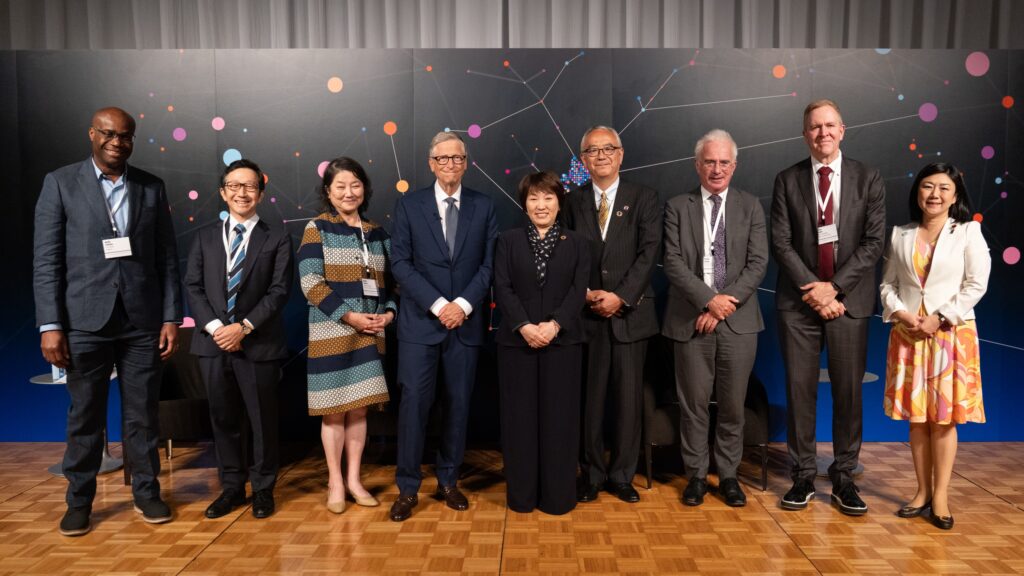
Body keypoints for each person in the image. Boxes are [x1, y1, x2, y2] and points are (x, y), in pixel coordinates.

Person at [33, 107, 182, 536]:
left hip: (141, 321)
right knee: (85, 416)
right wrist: (50, 325)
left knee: (143, 415)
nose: (117, 142)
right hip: (83, 322)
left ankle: (147, 493)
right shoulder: (60, 183)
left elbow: (167, 258)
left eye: (126, 135)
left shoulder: (151, 186)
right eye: (108, 134)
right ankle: (79, 500)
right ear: (92, 134)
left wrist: (171, 316)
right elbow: (47, 261)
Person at [771, 99, 885, 515]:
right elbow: (781, 242)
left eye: (830, 125)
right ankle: (802, 476)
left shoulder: (868, 177)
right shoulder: (787, 180)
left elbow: (873, 242)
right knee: (800, 391)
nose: (823, 133)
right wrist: (815, 291)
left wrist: (834, 289)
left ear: (842, 130)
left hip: (848, 303)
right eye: (815, 127)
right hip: (799, 304)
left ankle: (843, 478)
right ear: (806, 134)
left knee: (848, 393)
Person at [388, 132, 498, 522]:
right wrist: (438, 306)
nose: (450, 165)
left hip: (465, 325)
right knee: (413, 407)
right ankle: (407, 488)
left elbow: (489, 265)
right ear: (431, 163)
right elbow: (400, 263)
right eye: (443, 158)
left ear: (466, 162)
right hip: (420, 324)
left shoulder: (484, 206)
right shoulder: (409, 205)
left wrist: (463, 306)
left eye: (457, 158)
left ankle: (449, 480)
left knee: (458, 404)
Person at [880, 163, 989, 530]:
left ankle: (940, 496)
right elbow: (888, 285)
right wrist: (901, 313)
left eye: (943, 188)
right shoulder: (900, 234)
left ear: (955, 195)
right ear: (917, 192)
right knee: (917, 419)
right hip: (909, 334)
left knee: (942, 420)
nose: (935, 194)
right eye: (927, 186)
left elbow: (976, 284)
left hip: (950, 335)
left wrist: (939, 317)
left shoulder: (968, 232)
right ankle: (921, 491)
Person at [662, 129, 768, 507]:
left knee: (732, 405)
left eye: (724, 162)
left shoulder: (751, 206)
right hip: (691, 321)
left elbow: (758, 263)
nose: (717, 169)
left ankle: (728, 476)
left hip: (739, 323)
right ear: (697, 165)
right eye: (709, 161)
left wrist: (725, 305)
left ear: (734, 166)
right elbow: (673, 262)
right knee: (693, 405)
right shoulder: (677, 206)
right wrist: (709, 302)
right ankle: (695, 475)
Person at [184, 159, 293, 520]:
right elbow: (193, 287)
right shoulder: (204, 237)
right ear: (223, 192)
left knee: (263, 421)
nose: (241, 193)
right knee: (223, 418)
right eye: (234, 185)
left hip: (258, 345)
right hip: (213, 345)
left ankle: (263, 488)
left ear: (260, 193)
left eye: (249, 186)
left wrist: (243, 328)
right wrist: (218, 328)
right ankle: (231, 487)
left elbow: (279, 291)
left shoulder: (276, 237)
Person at [564, 125, 661, 504]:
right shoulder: (571, 202)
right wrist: (585, 294)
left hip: (630, 317)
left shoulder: (645, 198)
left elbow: (649, 253)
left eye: (608, 149)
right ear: (583, 160)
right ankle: (591, 474)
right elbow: (565, 255)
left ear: (621, 155)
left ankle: (622, 475)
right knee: (589, 402)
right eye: (592, 150)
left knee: (627, 403)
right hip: (586, 316)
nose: (601, 156)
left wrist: (621, 297)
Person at [298, 157, 397, 514]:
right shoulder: (317, 228)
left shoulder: (377, 233)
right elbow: (310, 282)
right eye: (340, 186)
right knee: (333, 412)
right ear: (328, 191)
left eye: (355, 185)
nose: (348, 192)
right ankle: (335, 482)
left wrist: (389, 314)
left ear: (364, 189)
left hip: (370, 332)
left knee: (358, 411)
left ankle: (354, 479)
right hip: (332, 332)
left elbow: (393, 284)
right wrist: (349, 316)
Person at [493, 171, 590, 515]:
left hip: (563, 343)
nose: (541, 205)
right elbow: (502, 286)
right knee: (519, 421)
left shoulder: (578, 243)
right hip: (516, 344)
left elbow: (578, 290)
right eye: (533, 198)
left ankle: (558, 497)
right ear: (524, 204)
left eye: (548, 197)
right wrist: (523, 326)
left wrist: (554, 325)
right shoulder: (507, 240)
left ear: (559, 202)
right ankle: (522, 496)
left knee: (560, 421)